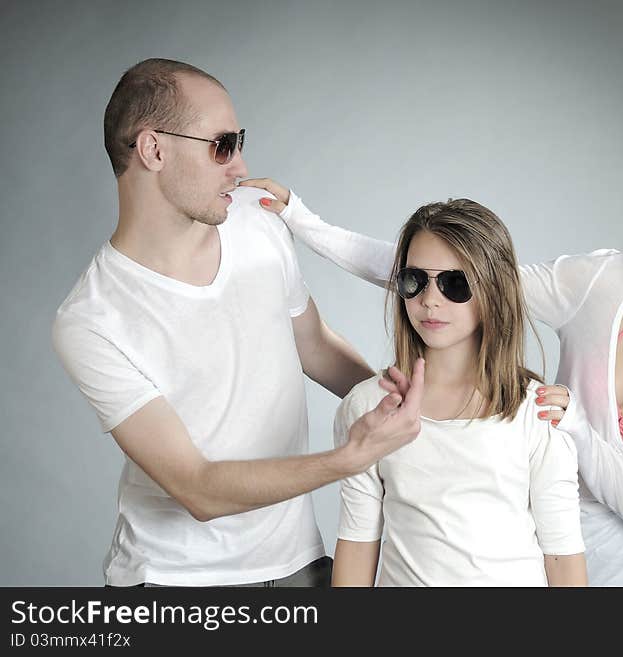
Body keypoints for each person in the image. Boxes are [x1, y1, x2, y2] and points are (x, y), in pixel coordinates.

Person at [241, 177, 623, 586]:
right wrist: (302, 221)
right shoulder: (607, 284)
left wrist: (578, 431)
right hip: (534, 558)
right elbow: (459, 276)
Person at [51, 58, 424, 588]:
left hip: (299, 565)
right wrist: (350, 457)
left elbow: (313, 345)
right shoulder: (91, 319)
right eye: (222, 145)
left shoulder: (254, 219)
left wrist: (406, 407)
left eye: (240, 141)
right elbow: (198, 488)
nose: (241, 167)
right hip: (171, 585)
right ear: (154, 149)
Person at [327, 199, 587, 586]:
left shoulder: (537, 411)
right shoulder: (368, 408)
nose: (430, 300)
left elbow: (564, 560)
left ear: (494, 291)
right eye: (415, 279)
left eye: (455, 283)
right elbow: (357, 547)